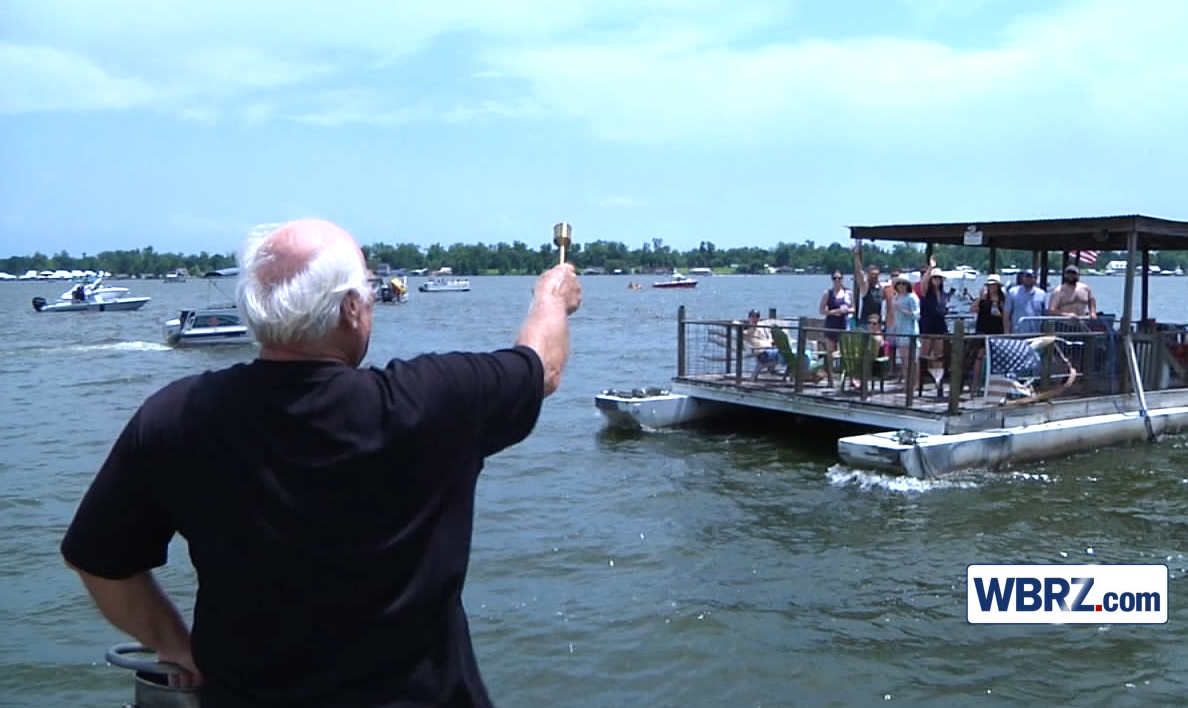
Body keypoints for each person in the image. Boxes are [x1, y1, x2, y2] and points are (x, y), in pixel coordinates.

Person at [59, 219, 582, 707]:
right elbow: (542, 367)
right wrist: (551, 297)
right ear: (351, 309)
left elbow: (99, 560)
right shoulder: (432, 402)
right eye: (369, 291)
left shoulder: (176, 416)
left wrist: (174, 643)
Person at [970, 274, 1009, 394]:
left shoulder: (1003, 299)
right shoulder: (983, 298)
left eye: (994, 285)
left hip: (997, 330)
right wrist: (979, 299)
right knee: (979, 356)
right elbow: (972, 309)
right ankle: (975, 384)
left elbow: (1006, 316)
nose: (992, 287)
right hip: (983, 329)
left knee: (997, 358)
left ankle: (995, 384)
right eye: (990, 285)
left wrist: (1006, 332)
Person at [887, 274, 920, 390]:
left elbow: (916, 315)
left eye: (904, 283)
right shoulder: (895, 298)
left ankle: (914, 383)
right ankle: (907, 382)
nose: (901, 286)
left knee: (913, 360)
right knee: (904, 360)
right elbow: (895, 317)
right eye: (899, 283)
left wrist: (901, 310)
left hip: (910, 331)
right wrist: (893, 329)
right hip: (900, 332)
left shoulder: (912, 297)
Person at [818, 268, 852, 361]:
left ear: (842, 279)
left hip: (843, 325)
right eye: (834, 278)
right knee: (830, 352)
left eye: (839, 278)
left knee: (844, 352)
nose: (837, 280)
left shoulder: (848, 293)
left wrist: (846, 310)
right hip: (831, 325)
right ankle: (830, 369)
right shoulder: (827, 293)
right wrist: (835, 311)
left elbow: (854, 309)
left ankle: (841, 369)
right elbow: (821, 310)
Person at [851, 244, 886, 330]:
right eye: (872, 274)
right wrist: (856, 256)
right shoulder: (865, 287)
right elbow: (859, 272)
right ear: (868, 275)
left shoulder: (881, 288)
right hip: (865, 323)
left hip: (877, 323)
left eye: (876, 274)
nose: (874, 276)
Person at [918, 267, 949, 365]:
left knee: (939, 355)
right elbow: (923, 283)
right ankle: (921, 374)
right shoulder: (926, 292)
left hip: (940, 325)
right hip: (927, 325)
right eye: (934, 277)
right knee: (924, 354)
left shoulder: (943, 293)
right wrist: (930, 268)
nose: (937, 280)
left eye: (939, 278)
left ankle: (937, 374)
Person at [1005, 268, 1047, 333]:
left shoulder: (1042, 294)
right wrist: (1006, 332)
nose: (1028, 279)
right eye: (1026, 277)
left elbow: (1045, 314)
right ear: (1022, 278)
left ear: (1035, 279)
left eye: (1031, 277)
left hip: (1036, 333)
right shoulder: (1012, 292)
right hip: (1017, 332)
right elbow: (1006, 313)